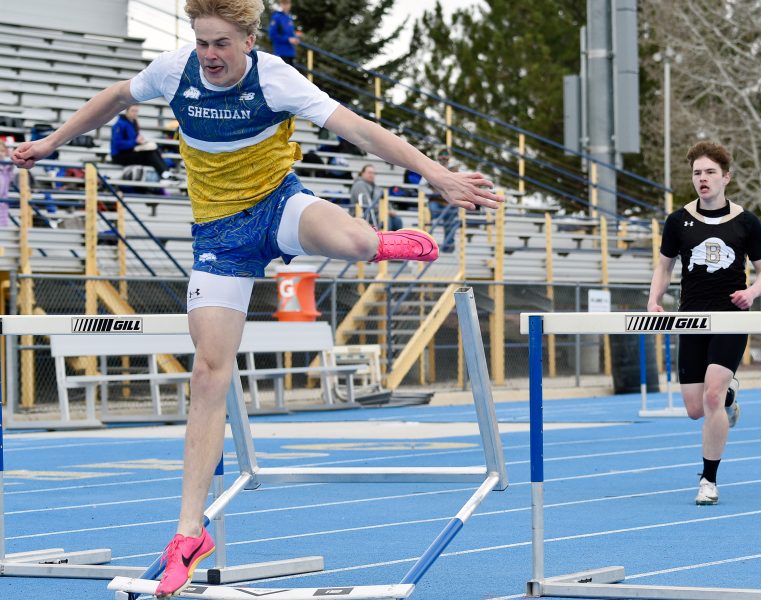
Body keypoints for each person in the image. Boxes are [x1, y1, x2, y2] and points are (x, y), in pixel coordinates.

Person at [11, 1, 499, 597]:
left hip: (278, 206)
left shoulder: (276, 78)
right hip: (219, 238)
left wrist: (438, 175)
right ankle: (187, 534)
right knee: (208, 374)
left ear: (247, 40)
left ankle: (380, 242)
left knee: (352, 242)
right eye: (201, 42)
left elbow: (361, 130)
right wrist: (52, 141)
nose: (209, 56)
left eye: (221, 43)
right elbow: (115, 96)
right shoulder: (174, 70)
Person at [646, 141, 761, 506]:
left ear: (726, 177)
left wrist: (752, 293)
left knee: (711, 396)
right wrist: (653, 301)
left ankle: (708, 480)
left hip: (730, 317)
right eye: (697, 173)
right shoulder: (678, 221)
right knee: (695, 408)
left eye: (710, 172)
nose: (702, 178)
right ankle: (729, 398)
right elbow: (664, 267)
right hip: (692, 318)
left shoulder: (746, 221)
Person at [110, 105, 171, 178]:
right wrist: (135, 142)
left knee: (154, 150)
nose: (134, 113)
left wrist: (140, 141)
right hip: (119, 156)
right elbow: (117, 144)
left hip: (129, 152)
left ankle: (166, 173)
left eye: (136, 111)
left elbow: (134, 140)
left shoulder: (133, 122)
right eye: (132, 111)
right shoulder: (120, 124)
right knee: (150, 154)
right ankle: (165, 175)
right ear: (127, 111)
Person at [351, 163, 402, 230]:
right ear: (362, 173)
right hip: (365, 215)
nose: (371, 175)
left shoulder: (377, 188)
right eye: (369, 173)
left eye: (373, 173)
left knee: (397, 220)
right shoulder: (359, 185)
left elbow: (385, 201)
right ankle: (383, 236)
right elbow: (366, 203)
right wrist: (385, 211)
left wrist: (391, 210)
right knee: (386, 220)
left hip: (377, 214)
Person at [267, 0, 301, 65]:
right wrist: (288, 39)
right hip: (281, 53)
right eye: (284, 3)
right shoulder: (276, 17)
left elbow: (290, 33)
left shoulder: (289, 17)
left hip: (290, 53)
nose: (286, 5)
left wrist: (296, 38)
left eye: (288, 3)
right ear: (281, 4)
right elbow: (272, 35)